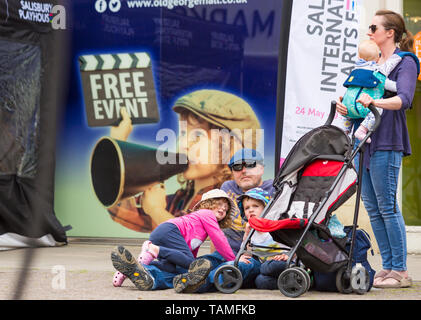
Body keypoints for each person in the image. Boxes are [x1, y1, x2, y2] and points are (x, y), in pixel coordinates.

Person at [109, 89, 261, 286]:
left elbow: (201, 242)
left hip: (222, 255)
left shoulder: (222, 194)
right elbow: (123, 210)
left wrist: (157, 210)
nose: (184, 144)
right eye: (182, 133)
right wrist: (120, 144)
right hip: (180, 248)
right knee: (192, 265)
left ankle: (146, 275)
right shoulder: (183, 198)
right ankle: (168, 268)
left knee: (176, 268)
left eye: (197, 136)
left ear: (229, 145)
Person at [336, 10, 419, 289]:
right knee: (372, 207)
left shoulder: (405, 62)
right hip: (363, 141)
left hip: (387, 140)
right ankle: (387, 267)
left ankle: (400, 271)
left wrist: (374, 102)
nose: (369, 30)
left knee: (387, 207)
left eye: (374, 26)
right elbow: (359, 99)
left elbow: (404, 99)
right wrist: (349, 107)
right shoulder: (369, 63)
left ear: (390, 33)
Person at [172, 150, 275, 293]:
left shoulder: (274, 189)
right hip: (226, 252)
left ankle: (197, 283)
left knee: (236, 267)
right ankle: (153, 276)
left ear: (262, 168)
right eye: (237, 167)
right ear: (232, 172)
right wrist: (216, 252)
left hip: (255, 257)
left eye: (250, 165)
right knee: (205, 261)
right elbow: (217, 228)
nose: (244, 171)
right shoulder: (227, 188)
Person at [110, 189, 236, 290]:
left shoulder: (201, 223)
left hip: (163, 233)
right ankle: (153, 250)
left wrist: (189, 267)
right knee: (190, 263)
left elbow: (190, 250)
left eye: (225, 209)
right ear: (208, 204)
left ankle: (131, 269)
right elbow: (219, 239)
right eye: (219, 204)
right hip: (170, 230)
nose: (222, 209)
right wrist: (233, 261)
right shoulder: (206, 214)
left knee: (170, 267)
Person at [340, 39, 404, 143]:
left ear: (359, 57)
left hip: (348, 107)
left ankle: (344, 132)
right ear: (378, 59)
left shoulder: (355, 70)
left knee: (348, 116)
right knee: (378, 108)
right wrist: (401, 86)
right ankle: (362, 130)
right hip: (364, 107)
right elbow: (394, 86)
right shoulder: (377, 73)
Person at [236, 188, 290, 289]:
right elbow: (247, 255)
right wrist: (247, 235)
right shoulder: (250, 231)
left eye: (255, 206)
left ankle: (294, 274)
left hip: (282, 263)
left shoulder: (275, 226)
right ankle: (290, 282)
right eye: (247, 208)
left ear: (266, 208)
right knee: (260, 281)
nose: (251, 210)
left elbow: (293, 246)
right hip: (266, 268)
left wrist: (288, 256)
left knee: (271, 267)